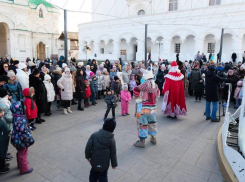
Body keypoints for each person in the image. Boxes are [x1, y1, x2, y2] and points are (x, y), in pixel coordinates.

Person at [10, 101, 34, 175]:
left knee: (20, 152)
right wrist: (30, 139)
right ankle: (24, 169)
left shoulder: (15, 116)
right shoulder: (20, 119)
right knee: (23, 153)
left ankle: (20, 164)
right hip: (21, 139)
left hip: (17, 138)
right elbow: (24, 131)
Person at [0, 108, 11, 174]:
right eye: (2, 112)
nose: (3, 113)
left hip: (2, 138)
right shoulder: (1, 121)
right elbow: (6, 128)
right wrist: (10, 131)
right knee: (2, 153)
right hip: (2, 139)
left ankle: (3, 164)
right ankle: (1, 168)